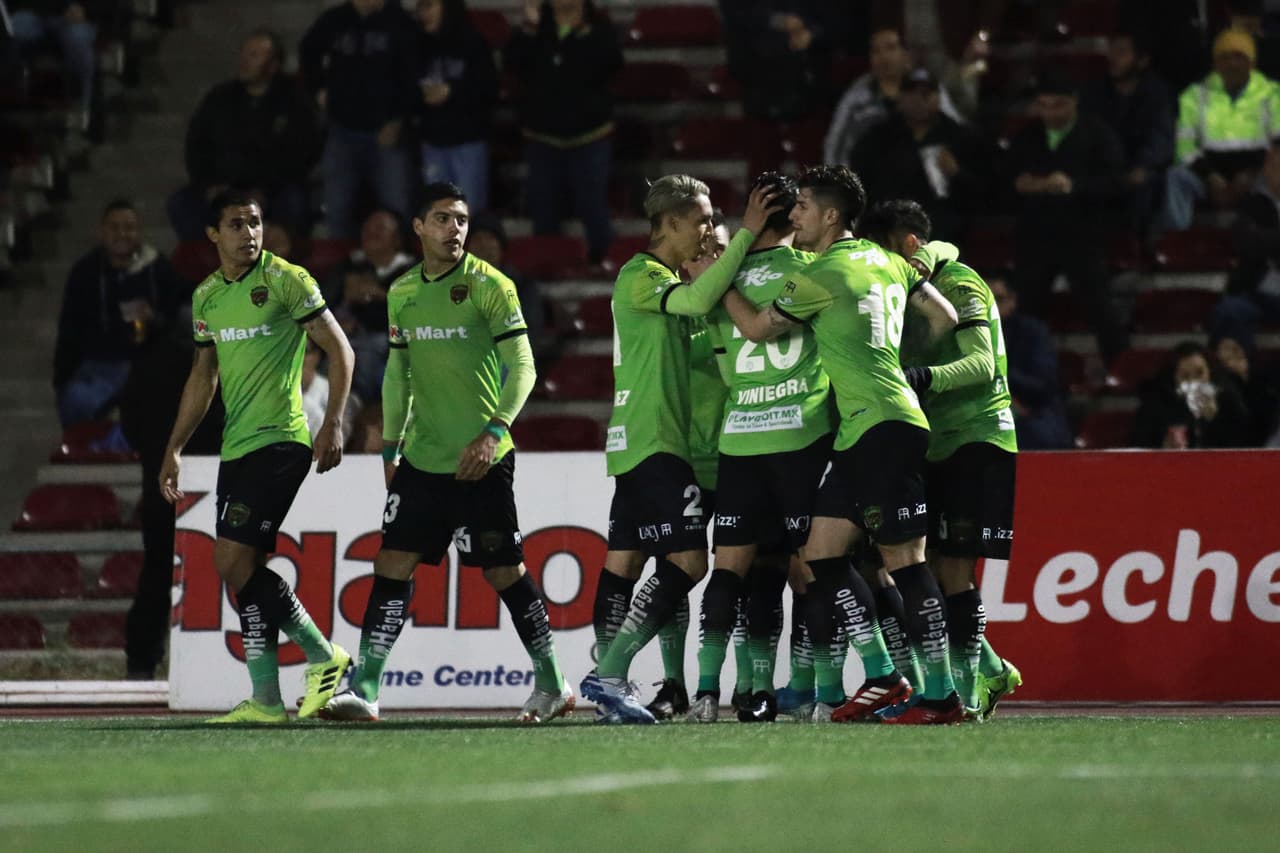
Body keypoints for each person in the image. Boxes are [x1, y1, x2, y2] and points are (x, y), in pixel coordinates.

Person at [720, 165, 966, 725]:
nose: (795, 215)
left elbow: (755, 329)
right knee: (821, 552)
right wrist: (897, 360)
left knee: (906, 561)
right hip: (869, 428)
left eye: (803, 206)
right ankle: (883, 675)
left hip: (881, 427)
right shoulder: (889, 260)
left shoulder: (821, 273)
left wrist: (720, 279)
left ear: (831, 215)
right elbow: (945, 317)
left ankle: (941, 695)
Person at [321, 182, 574, 724]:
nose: (454, 229)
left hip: (483, 457)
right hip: (423, 457)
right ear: (418, 227)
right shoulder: (403, 290)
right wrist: (391, 447)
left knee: (504, 572)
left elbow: (524, 367)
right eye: (441, 219)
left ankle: (553, 683)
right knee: (392, 563)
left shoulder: (492, 286)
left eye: (460, 219)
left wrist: (494, 431)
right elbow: (399, 373)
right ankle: (366, 688)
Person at [580, 176, 779, 724]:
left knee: (627, 560)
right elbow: (696, 298)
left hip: (646, 441)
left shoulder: (659, 283)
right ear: (669, 224)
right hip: (656, 440)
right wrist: (747, 235)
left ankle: (612, 687)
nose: (709, 230)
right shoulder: (643, 275)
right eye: (701, 220)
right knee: (689, 562)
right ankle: (610, 672)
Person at [158, 190, 356, 724]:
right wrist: (174, 447)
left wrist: (332, 421)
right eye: (236, 224)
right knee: (244, 570)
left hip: (282, 441)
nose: (249, 233)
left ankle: (324, 656)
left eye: (255, 222)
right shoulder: (207, 297)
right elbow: (204, 376)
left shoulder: (287, 280)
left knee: (229, 561)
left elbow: (341, 349)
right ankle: (266, 699)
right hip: (237, 447)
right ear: (213, 234)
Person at [863, 199, 1023, 721]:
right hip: (932, 438)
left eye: (886, 251)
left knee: (955, 569)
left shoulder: (959, 283)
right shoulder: (905, 287)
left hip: (977, 435)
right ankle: (990, 668)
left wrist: (922, 378)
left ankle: (967, 691)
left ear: (910, 244)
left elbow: (981, 363)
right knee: (927, 569)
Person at [688, 174, 834, 724]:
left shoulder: (716, 278)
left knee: (729, 571)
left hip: (740, 439)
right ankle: (820, 695)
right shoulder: (814, 270)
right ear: (792, 216)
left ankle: (709, 693)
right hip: (801, 435)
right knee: (812, 570)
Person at [644, 212, 733, 723]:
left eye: (720, 249)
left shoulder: (746, 307)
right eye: (703, 249)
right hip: (684, 461)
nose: (710, 257)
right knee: (673, 573)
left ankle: (746, 686)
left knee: (741, 577)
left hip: (740, 458)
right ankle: (674, 685)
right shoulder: (673, 308)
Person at [1006, 71, 1129, 367]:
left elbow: (1115, 183)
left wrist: (1073, 186)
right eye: (1043, 105)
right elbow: (1006, 181)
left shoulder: (1098, 135)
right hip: (1036, 237)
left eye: (1058, 105)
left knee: (1102, 312)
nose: (1050, 113)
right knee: (1024, 311)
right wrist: (1027, 185)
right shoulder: (1026, 138)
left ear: (1074, 102)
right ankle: (1015, 375)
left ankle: (1122, 371)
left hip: (1082, 235)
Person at [167, 29, 321, 241]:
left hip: (273, 189)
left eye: (254, 55)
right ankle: (213, 256)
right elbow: (196, 146)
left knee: (295, 201)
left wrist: (264, 190)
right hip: (224, 187)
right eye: (244, 53)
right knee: (181, 203)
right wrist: (210, 185)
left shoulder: (294, 101)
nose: (244, 61)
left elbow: (300, 155)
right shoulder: (219, 98)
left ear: (274, 65)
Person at [53, 199, 188, 436]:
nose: (122, 234)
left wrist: (154, 320)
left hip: (148, 366)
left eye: (129, 227)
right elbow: (69, 330)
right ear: (102, 232)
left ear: (139, 232)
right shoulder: (85, 272)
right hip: (99, 368)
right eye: (114, 227)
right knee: (76, 398)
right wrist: (62, 379)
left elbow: (178, 316)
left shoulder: (158, 268)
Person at [504, 0, 622, 263]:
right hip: (542, 139)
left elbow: (611, 65)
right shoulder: (534, 31)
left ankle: (605, 265)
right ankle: (548, 266)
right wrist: (530, 28)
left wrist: (580, 34)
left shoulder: (599, 30)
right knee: (543, 209)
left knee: (593, 207)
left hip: (590, 137)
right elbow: (513, 64)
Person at [299, 0, 419, 239]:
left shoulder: (401, 23)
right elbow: (308, 51)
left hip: (386, 131)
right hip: (342, 129)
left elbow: (414, 76)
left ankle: (397, 260)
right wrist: (318, 89)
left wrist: (399, 119)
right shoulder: (335, 19)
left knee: (395, 208)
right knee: (336, 209)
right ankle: (343, 261)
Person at [851, 66, 994, 240]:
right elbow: (861, 184)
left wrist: (956, 173)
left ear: (938, 98)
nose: (918, 99)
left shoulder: (961, 138)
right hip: (890, 231)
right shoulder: (878, 138)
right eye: (911, 93)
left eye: (926, 93)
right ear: (900, 98)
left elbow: (985, 192)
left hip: (944, 234)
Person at [1163, 28, 1280, 230]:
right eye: (1224, 57)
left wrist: (1251, 173)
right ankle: (1176, 239)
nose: (1232, 64)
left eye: (1239, 57)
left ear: (1252, 63)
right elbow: (1184, 149)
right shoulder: (1194, 95)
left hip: (1257, 173)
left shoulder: (1272, 94)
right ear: (1215, 63)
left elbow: (1278, 145)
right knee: (1175, 176)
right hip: (1208, 173)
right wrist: (1210, 176)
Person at [824, 27, 961, 168]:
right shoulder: (856, 96)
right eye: (876, 51)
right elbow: (834, 144)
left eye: (890, 48)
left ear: (906, 55)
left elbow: (957, 130)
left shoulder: (928, 88)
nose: (883, 57)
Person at [1081, 29, 1175, 232]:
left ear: (1142, 61)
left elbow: (1161, 136)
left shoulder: (1156, 92)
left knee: (1150, 184)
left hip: (1141, 168)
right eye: (1111, 51)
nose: (1113, 58)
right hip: (1105, 167)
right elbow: (1090, 134)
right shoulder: (1094, 91)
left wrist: (1142, 166)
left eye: (1121, 52)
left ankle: (1141, 244)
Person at [412, 0, 498, 210]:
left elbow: (488, 87)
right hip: (432, 141)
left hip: (467, 142)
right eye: (421, 7)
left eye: (429, 6)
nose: (424, 13)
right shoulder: (417, 43)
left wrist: (451, 91)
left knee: (467, 213)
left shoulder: (473, 41)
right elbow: (404, 85)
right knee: (436, 214)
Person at [989, 274, 1074, 449]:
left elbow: (1043, 385)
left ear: (1012, 300)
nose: (991, 307)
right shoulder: (966, 334)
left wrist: (998, 373)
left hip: (1033, 414)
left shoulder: (1033, 333)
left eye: (998, 299)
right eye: (984, 300)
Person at [1212, 145, 1280, 348]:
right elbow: (1247, 241)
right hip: (1257, 293)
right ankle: (1237, 368)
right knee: (1229, 311)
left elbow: (1260, 240)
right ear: (1267, 167)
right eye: (1275, 165)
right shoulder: (1252, 204)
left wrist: (1268, 240)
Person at [465, 212, 551, 369]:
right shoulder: (455, 287)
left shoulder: (522, 286)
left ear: (500, 247)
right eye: (477, 239)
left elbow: (529, 335)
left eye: (490, 238)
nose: (483, 245)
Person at [1131, 340, 1253, 448]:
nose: (1194, 381)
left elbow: (1245, 444)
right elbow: (1139, 445)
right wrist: (1162, 449)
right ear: (1173, 378)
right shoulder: (1156, 405)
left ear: (1209, 371)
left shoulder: (1227, 399)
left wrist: (1214, 420)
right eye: (1185, 376)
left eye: (1199, 373)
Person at [10, 1, 97, 127]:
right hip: (38, 21)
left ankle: (80, 106)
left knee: (76, 37)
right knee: (20, 25)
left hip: (71, 24)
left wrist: (76, 11)